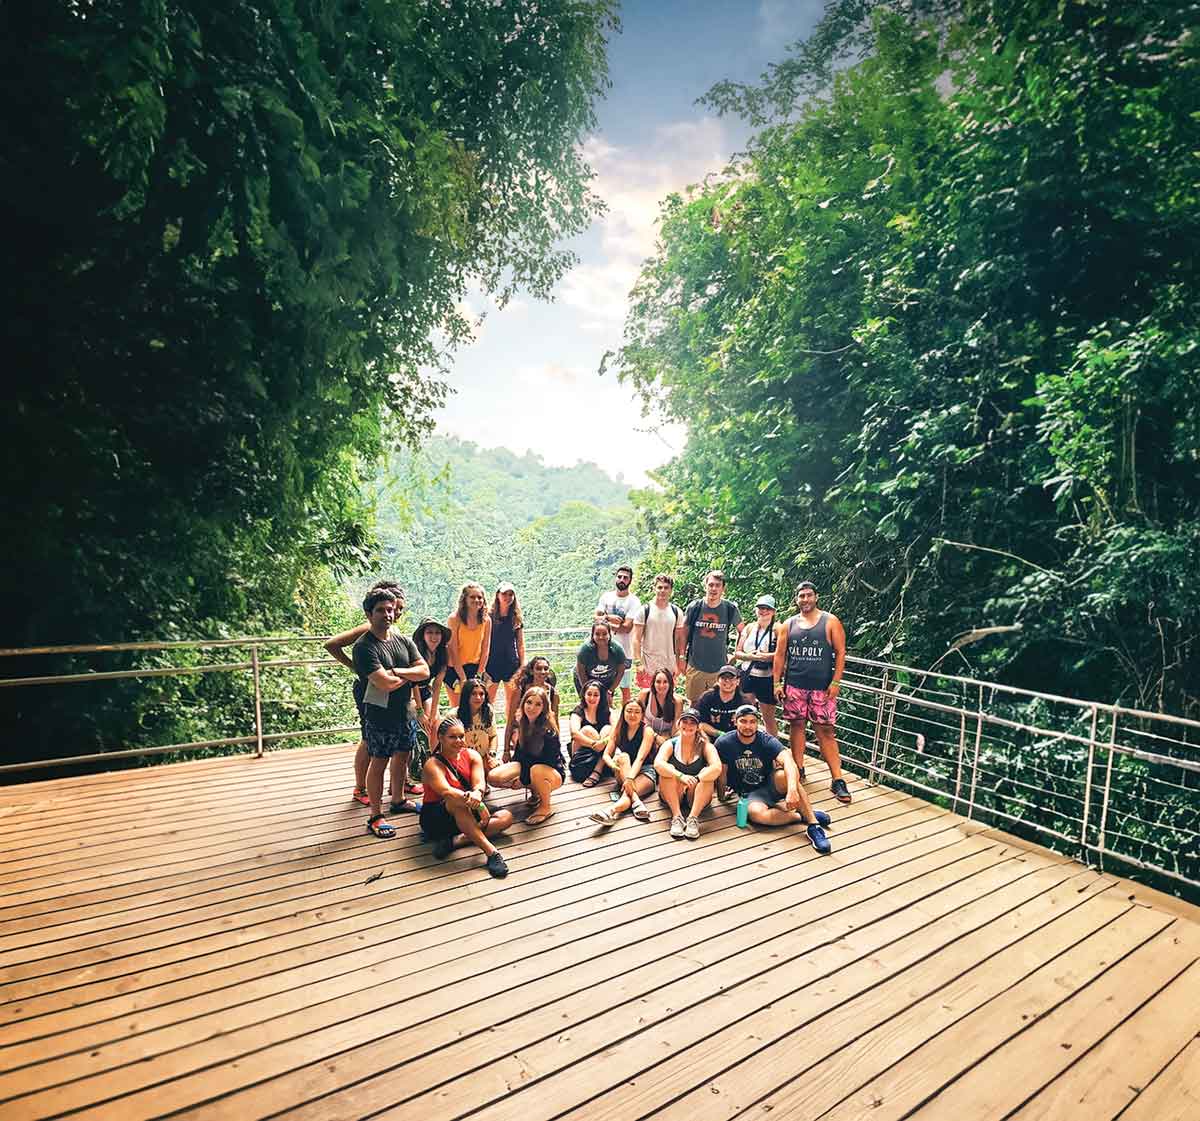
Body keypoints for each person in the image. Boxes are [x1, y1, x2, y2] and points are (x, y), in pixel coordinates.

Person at [325, 580, 424, 811]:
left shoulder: (397, 635)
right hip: (371, 694)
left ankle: (398, 793)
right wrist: (356, 668)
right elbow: (332, 644)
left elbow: (422, 670)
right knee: (371, 742)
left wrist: (401, 675)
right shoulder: (367, 633)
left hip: (399, 702)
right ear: (371, 613)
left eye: (397, 609)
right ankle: (361, 788)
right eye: (390, 608)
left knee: (401, 749)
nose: (394, 613)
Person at [350, 588, 429, 837]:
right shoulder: (364, 647)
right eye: (381, 610)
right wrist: (407, 673)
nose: (388, 614)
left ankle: (398, 799)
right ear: (368, 614)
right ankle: (375, 815)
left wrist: (396, 671)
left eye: (391, 610)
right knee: (379, 762)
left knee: (403, 755)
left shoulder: (402, 640)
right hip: (379, 714)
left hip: (404, 711)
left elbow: (425, 671)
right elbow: (384, 683)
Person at [773, 580, 852, 805]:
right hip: (795, 685)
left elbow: (840, 651)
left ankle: (837, 778)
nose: (805, 600)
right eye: (801, 596)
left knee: (825, 731)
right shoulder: (788, 624)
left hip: (821, 688)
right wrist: (776, 684)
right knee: (796, 725)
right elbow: (780, 655)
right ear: (796, 599)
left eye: (809, 595)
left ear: (816, 597)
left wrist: (836, 681)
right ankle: (798, 768)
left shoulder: (830, 621)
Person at [716, 705, 832, 854]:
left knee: (788, 776)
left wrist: (791, 790)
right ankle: (800, 815)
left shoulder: (766, 740)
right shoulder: (724, 743)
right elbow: (722, 773)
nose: (748, 726)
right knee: (757, 815)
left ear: (757, 723)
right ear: (735, 722)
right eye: (743, 721)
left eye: (752, 722)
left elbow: (788, 761)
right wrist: (721, 795)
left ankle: (813, 825)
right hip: (749, 794)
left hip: (770, 783)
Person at [420, 716, 513, 877]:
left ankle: (457, 840)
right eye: (452, 737)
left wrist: (478, 794)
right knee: (456, 802)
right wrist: (480, 806)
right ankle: (492, 853)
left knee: (506, 817)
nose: (458, 741)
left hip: (467, 809)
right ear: (440, 738)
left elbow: (479, 784)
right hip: (437, 817)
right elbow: (447, 792)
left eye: (461, 736)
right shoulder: (432, 765)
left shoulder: (471, 755)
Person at [489, 686, 564, 825]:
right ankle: (535, 793)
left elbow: (548, 762)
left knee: (536, 770)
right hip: (529, 768)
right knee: (494, 777)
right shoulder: (523, 724)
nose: (532, 707)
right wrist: (515, 776)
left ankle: (545, 807)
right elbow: (519, 756)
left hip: (551, 772)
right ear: (523, 703)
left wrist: (523, 779)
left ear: (544, 707)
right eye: (529, 702)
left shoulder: (548, 731)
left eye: (538, 704)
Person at [655, 708, 721, 839]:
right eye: (685, 721)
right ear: (679, 724)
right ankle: (677, 816)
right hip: (674, 792)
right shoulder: (670, 744)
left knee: (707, 773)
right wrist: (681, 776)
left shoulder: (706, 746)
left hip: (695, 794)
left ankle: (693, 818)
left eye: (692, 723)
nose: (688, 725)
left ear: (698, 727)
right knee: (667, 770)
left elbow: (717, 767)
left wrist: (697, 778)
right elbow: (658, 764)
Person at [590, 697, 657, 826]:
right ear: (623, 712)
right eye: (629, 711)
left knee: (628, 793)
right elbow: (606, 755)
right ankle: (636, 801)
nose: (632, 715)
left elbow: (640, 758)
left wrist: (630, 779)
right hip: (623, 770)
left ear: (642, 714)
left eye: (637, 712)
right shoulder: (618, 728)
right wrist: (614, 765)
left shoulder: (647, 731)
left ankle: (609, 811)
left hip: (645, 771)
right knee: (623, 757)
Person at [683, 570, 743, 703]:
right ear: (705, 586)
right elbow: (683, 633)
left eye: (717, 585)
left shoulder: (730, 608)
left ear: (723, 588)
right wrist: (681, 658)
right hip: (695, 665)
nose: (714, 588)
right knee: (694, 703)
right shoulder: (695, 607)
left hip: (719, 668)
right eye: (711, 585)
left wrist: (736, 654)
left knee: (717, 704)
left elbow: (742, 631)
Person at [733, 594, 780, 737]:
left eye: (767, 609)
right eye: (760, 608)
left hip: (767, 677)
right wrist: (752, 656)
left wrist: (766, 657)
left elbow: (783, 654)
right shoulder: (749, 628)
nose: (763, 611)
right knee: (745, 713)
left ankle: (773, 750)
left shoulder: (778, 629)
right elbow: (738, 653)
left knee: (768, 718)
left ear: (773, 611)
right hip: (748, 674)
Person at [595, 564, 642, 706]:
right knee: (605, 686)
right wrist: (610, 618)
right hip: (604, 650)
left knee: (624, 687)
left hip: (624, 651)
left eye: (625, 578)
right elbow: (596, 617)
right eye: (619, 576)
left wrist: (604, 621)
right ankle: (606, 717)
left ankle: (625, 719)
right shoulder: (606, 597)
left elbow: (627, 627)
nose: (622, 579)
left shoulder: (634, 601)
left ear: (630, 581)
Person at [631, 572, 687, 689]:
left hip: (669, 664)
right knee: (647, 699)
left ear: (671, 590)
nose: (662, 590)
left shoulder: (677, 612)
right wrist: (637, 662)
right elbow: (636, 639)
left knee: (667, 700)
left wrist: (680, 660)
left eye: (666, 588)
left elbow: (679, 639)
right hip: (648, 665)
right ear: (654, 589)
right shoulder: (644, 611)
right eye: (659, 587)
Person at [445, 582, 491, 706]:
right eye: (472, 597)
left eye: (479, 597)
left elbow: (485, 648)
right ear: (464, 599)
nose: (476, 600)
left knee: (475, 708)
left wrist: (479, 674)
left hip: (475, 668)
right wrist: (463, 678)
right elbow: (452, 649)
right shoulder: (454, 619)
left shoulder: (486, 620)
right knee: (458, 708)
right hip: (455, 668)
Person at [485, 582, 525, 719]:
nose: (508, 597)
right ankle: (490, 734)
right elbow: (483, 643)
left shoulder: (516, 618)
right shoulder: (488, 617)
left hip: (511, 663)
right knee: (488, 702)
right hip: (491, 663)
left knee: (512, 702)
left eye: (510, 594)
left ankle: (510, 734)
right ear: (497, 595)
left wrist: (522, 665)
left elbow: (520, 644)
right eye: (504, 594)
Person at [412, 616, 451, 736]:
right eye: (429, 632)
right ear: (423, 635)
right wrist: (419, 711)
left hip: (425, 691)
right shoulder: (415, 652)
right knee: (419, 722)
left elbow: (437, 684)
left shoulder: (443, 653)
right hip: (411, 692)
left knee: (434, 723)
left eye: (437, 633)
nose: (434, 637)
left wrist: (433, 713)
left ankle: (431, 753)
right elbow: (413, 683)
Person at [568, 680, 612, 786]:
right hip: (582, 758)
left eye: (596, 695)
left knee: (607, 729)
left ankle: (597, 771)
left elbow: (616, 730)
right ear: (584, 695)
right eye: (589, 694)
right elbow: (574, 733)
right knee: (587, 730)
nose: (592, 698)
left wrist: (603, 742)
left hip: (602, 759)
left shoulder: (607, 711)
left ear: (601, 696)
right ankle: (596, 770)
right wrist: (594, 744)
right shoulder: (578, 711)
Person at [574, 620, 628, 701]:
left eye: (604, 634)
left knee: (605, 704)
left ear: (609, 634)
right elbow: (581, 672)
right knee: (589, 703)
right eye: (597, 634)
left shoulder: (617, 650)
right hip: (585, 680)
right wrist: (587, 690)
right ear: (592, 635)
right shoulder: (585, 650)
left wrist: (610, 691)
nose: (601, 637)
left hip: (607, 681)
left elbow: (620, 672)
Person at [456, 677, 498, 779]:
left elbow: (493, 736)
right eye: (473, 694)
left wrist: (492, 754)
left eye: (481, 694)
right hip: (462, 758)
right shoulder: (454, 715)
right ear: (466, 696)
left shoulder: (488, 712)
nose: (478, 698)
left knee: (496, 775)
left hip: (483, 756)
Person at [510, 656, 561, 733]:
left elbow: (555, 720)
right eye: (538, 668)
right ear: (531, 671)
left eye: (546, 669)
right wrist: (507, 744)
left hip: (543, 732)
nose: (543, 672)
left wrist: (557, 740)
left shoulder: (553, 694)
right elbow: (510, 721)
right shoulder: (520, 691)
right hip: (522, 731)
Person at [638, 667, 680, 743]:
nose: (661, 685)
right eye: (658, 682)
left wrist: (668, 737)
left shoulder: (677, 702)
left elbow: (676, 728)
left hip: (666, 737)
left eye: (665, 682)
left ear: (670, 684)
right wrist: (655, 736)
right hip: (646, 735)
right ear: (653, 683)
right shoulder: (645, 695)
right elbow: (639, 722)